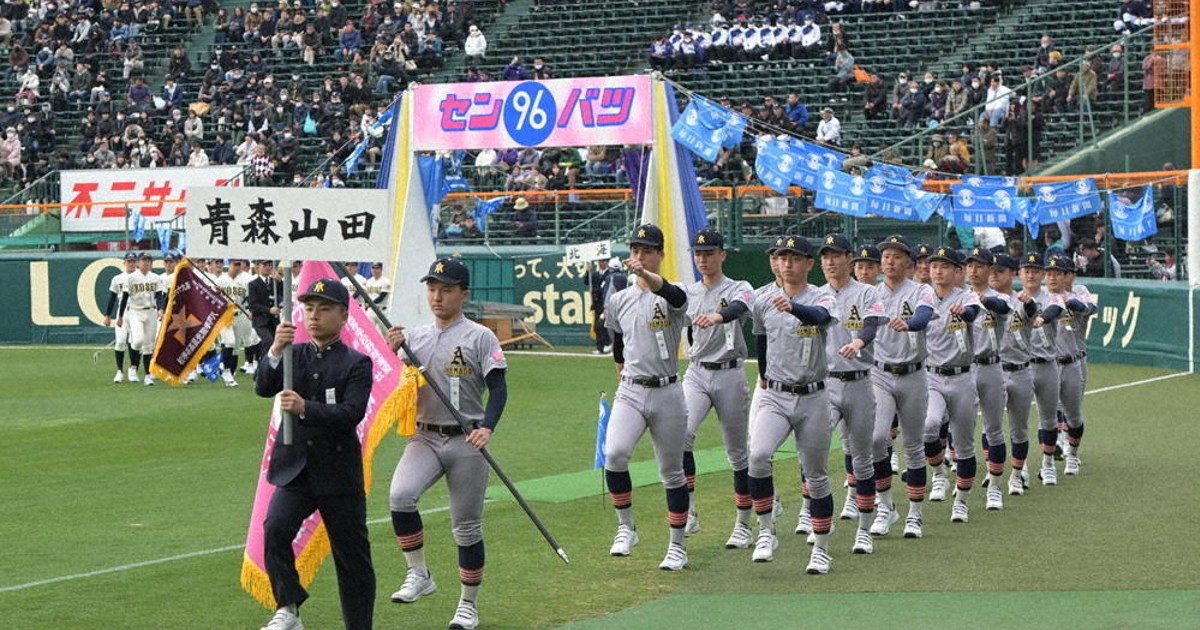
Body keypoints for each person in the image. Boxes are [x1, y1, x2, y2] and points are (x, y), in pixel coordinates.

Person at [385, 257, 508, 630]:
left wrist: (487, 427)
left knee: (466, 527)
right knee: (400, 496)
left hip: (466, 440)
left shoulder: (480, 336)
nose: (437, 296)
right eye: (432, 288)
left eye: (447, 289)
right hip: (424, 435)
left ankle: (468, 605)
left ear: (463, 294)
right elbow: (391, 379)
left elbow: (498, 389)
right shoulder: (416, 338)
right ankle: (420, 574)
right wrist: (393, 351)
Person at [254, 278, 375, 630]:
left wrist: (307, 408)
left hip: (338, 472)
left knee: (352, 557)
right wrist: (275, 350)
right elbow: (263, 386)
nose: (314, 316)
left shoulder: (356, 363)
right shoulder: (295, 355)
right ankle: (288, 608)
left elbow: (351, 414)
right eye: (308, 308)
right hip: (296, 470)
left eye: (324, 309)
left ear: (343, 316)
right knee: (275, 528)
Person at [602, 224, 692, 571]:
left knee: (671, 472)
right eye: (636, 250)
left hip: (668, 390)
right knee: (615, 454)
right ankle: (626, 527)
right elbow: (619, 339)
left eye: (647, 251)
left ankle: (677, 545)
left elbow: (675, 298)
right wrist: (620, 367)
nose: (639, 257)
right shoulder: (620, 298)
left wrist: (647, 276)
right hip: (632, 388)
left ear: (660, 255)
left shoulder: (675, 290)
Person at [746, 234, 837, 574]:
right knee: (757, 455)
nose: (787, 263)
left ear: (809, 264)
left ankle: (822, 547)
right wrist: (765, 374)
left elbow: (820, 318)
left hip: (813, 395)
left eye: (795, 258)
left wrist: (794, 307)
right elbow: (760, 336)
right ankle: (766, 532)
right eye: (782, 257)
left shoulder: (823, 295)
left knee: (815, 475)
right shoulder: (763, 299)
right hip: (776, 394)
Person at [680, 228, 755, 549]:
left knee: (737, 452)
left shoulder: (739, 286)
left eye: (709, 253)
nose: (703, 259)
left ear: (722, 255)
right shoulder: (687, 292)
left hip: (729, 373)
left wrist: (718, 315)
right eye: (698, 254)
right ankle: (689, 511)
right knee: (680, 435)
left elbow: (740, 307)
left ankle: (743, 523)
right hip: (697, 372)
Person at [818, 234, 886, 555]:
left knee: (862, 459)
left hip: (859, 382)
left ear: (849, 258)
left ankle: (864, 528)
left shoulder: (867, 292)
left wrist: (860, 341)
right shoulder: (815, 295)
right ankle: (818, 517)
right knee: (814, 451)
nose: (830, 261)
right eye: (825, 256)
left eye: (836, 255)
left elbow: (871, 325)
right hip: (825, 384)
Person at [870, 235, 937, 539]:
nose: (889, 261)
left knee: (913, 444)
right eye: (885, 256)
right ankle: (886, 506)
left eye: (896, 256)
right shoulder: (871, 293)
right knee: (875, 439)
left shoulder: (921, 289)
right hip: (880, 374)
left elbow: (923, 316)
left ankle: (915, 513)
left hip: (913, 373)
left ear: (909, 262)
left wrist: (909, 324)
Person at [921, 247, 983, 523]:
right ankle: (938, 474)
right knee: (929, 425)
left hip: (962, 376)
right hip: (931, 375)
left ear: (958, 271)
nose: (937, 270)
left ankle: (962, 500)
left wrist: (966, 311)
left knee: (964, 442)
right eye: (934, 265)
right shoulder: (921, 296)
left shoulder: (966, 295)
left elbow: (972, 312)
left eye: (945, 266)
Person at [964, 248, 1013, 511]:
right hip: (963, 368)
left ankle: (995, 486)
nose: (974, 270)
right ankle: (959, 487)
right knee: (960, 430)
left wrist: (982, 300)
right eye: (970, 265)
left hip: (991, 366)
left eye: (979, 265)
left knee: (993, 428)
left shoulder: (998, 297)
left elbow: (1003, 308)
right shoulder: (958, 295)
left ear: (989, 269)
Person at [990, 254, 1038, 497]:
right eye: (992, 270)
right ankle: (994, 472)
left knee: (1018, 429)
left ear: (1012, 273)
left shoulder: (1022, 299)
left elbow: (1032, 310)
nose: (994, 275)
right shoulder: (981, 300)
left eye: (1000, 270)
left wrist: (1029, 304)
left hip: (1019, 370)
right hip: (995, 370)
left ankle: (1018, 474)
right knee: (991, 428)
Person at [116, 253, 164, 386]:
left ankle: (148, 375)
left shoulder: (156, 278)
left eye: (149, 260)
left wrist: (161, 309)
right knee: (137, 340)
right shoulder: (131, 278)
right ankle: (133, 367)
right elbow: (124, 298)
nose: (146, 263)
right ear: (138, 263)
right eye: (143, 260)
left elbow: (159, 296)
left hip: (151, 312)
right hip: (135, 311)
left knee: (149, 345)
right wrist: (120, 316)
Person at [215, 259, 258, 386]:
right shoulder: (220, 280)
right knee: (229, 341)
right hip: (225, 316)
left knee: (235, 347)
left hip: (240, 315)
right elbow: (211, 297)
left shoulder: (243, 281)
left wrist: (251, 311)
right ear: (229, 265)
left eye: (239, 264)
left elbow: (250, 299)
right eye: (235, 264)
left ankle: (230, 375)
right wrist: (217, 292)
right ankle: (226, 370)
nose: (237, 267)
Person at [102, 253, 138, 383]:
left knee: (135, 342)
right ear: (124, 263)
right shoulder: (117, 278)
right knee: (121, 341)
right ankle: (119, 371)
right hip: (122, 312)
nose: (131, 263)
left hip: (137, 311)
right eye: (129, 261)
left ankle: (132, 369)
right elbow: (112, 297)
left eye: (133, 261)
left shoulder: (141, 277)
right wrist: (107, 315)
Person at [248, 259, 284, 363]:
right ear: (258, 267)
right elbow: (253, 304)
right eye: (265, 265)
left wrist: (280, 281)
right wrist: (269, 310)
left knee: (277, 343)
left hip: (273, 320)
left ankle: (264, 365)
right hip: (260, 320)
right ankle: (262, 364)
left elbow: (284, 294)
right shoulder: (253, 284)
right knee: (268, 341)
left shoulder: (275, 282)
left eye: (269, 265)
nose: (268, 267)